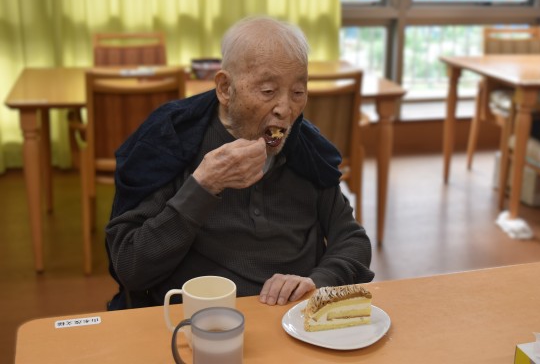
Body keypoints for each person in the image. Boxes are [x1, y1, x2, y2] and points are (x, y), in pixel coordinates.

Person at [105, 16, 374, 310]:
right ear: (225, 88)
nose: (285, 109)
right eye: (268, 91)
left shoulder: (306, 149)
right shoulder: (173, 139)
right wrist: (203, 185)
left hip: (293, 318)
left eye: (298, 92)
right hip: (199, 319)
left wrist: (318, 281)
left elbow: (353, 240)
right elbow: (130, 267)